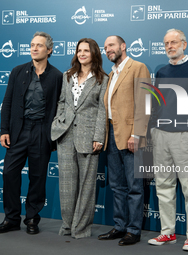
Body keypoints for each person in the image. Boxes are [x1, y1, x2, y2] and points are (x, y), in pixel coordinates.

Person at [147, 29, 188, 251]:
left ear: (184, 44)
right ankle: (167, 232)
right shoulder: (162, 71)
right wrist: (154, 130)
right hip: (162, 137)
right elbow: (157, 104)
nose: (169, 46)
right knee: (164, 186)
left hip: (186, 136)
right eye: (166, 43)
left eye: (174, 42)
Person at [0, 32, 63, 235]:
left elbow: (60, 108)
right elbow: (7, 103)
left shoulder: (57, 76)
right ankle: (11, 218)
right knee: (9, 173)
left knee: (38, 177)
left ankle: (32, 218)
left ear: (49, 50)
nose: (34, 48)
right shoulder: (17, 71)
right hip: (18, 131)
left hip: (42, 131)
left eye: (39, 45)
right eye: (32, 45)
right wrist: (4, 130)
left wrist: (54, 136)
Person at [51, 38, 108, 239]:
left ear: (94, 54)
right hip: (65, 135)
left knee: (86, 185)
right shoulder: (68, 75)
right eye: (79, 50)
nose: (82, 53)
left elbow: (102, 109)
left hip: (89, 137)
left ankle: (81, 228)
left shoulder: (102, 78)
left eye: (86, 50)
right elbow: (62, 101)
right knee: (66, 185)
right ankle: (67, 225)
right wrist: (59, 121)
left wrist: (99, 137)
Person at [97, 35, 150, 246]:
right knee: (117, 186)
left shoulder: (138, 67)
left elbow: (146, 103)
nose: (107, 49)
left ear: (123, 46)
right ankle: (120, 226)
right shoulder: (112, 73)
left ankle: (134, 230)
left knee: (134, 187)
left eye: (111, 45)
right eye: (105, 47)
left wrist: (137, 134)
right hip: (111, 135)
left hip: (131, 136)